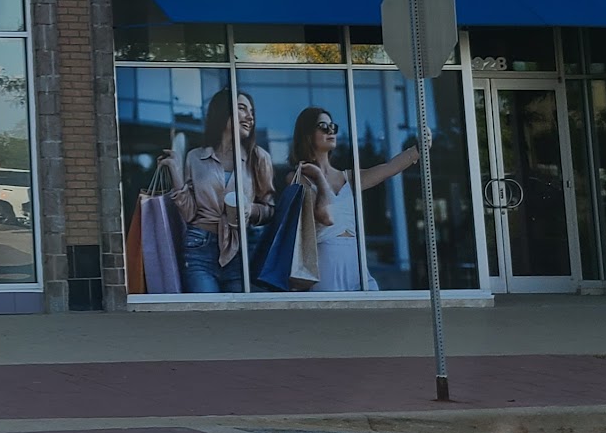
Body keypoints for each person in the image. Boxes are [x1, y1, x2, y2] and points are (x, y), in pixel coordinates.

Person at [287, 106, 419, 292]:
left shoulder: (346, 177)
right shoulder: (299, 177)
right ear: (308, 135)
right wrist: (318, 177)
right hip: (326, 263)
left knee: (373, 302)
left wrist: (417, 149)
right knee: (334, 310)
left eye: (333, 126)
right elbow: (325, 216)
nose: (330, 131)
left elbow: (388, 169)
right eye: (323, 126)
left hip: (355, 259)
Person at [159, 89, 275, 292]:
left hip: (242, 249)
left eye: (252, 112)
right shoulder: (196, 157)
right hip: (199, 246)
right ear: (223, 112)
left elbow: (270, 209)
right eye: (242, 108)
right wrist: (175, 173)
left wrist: (250, 209)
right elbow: (189, 214)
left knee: (239, 311)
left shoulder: (259, 158)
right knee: (206, 308)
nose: (250, 117)